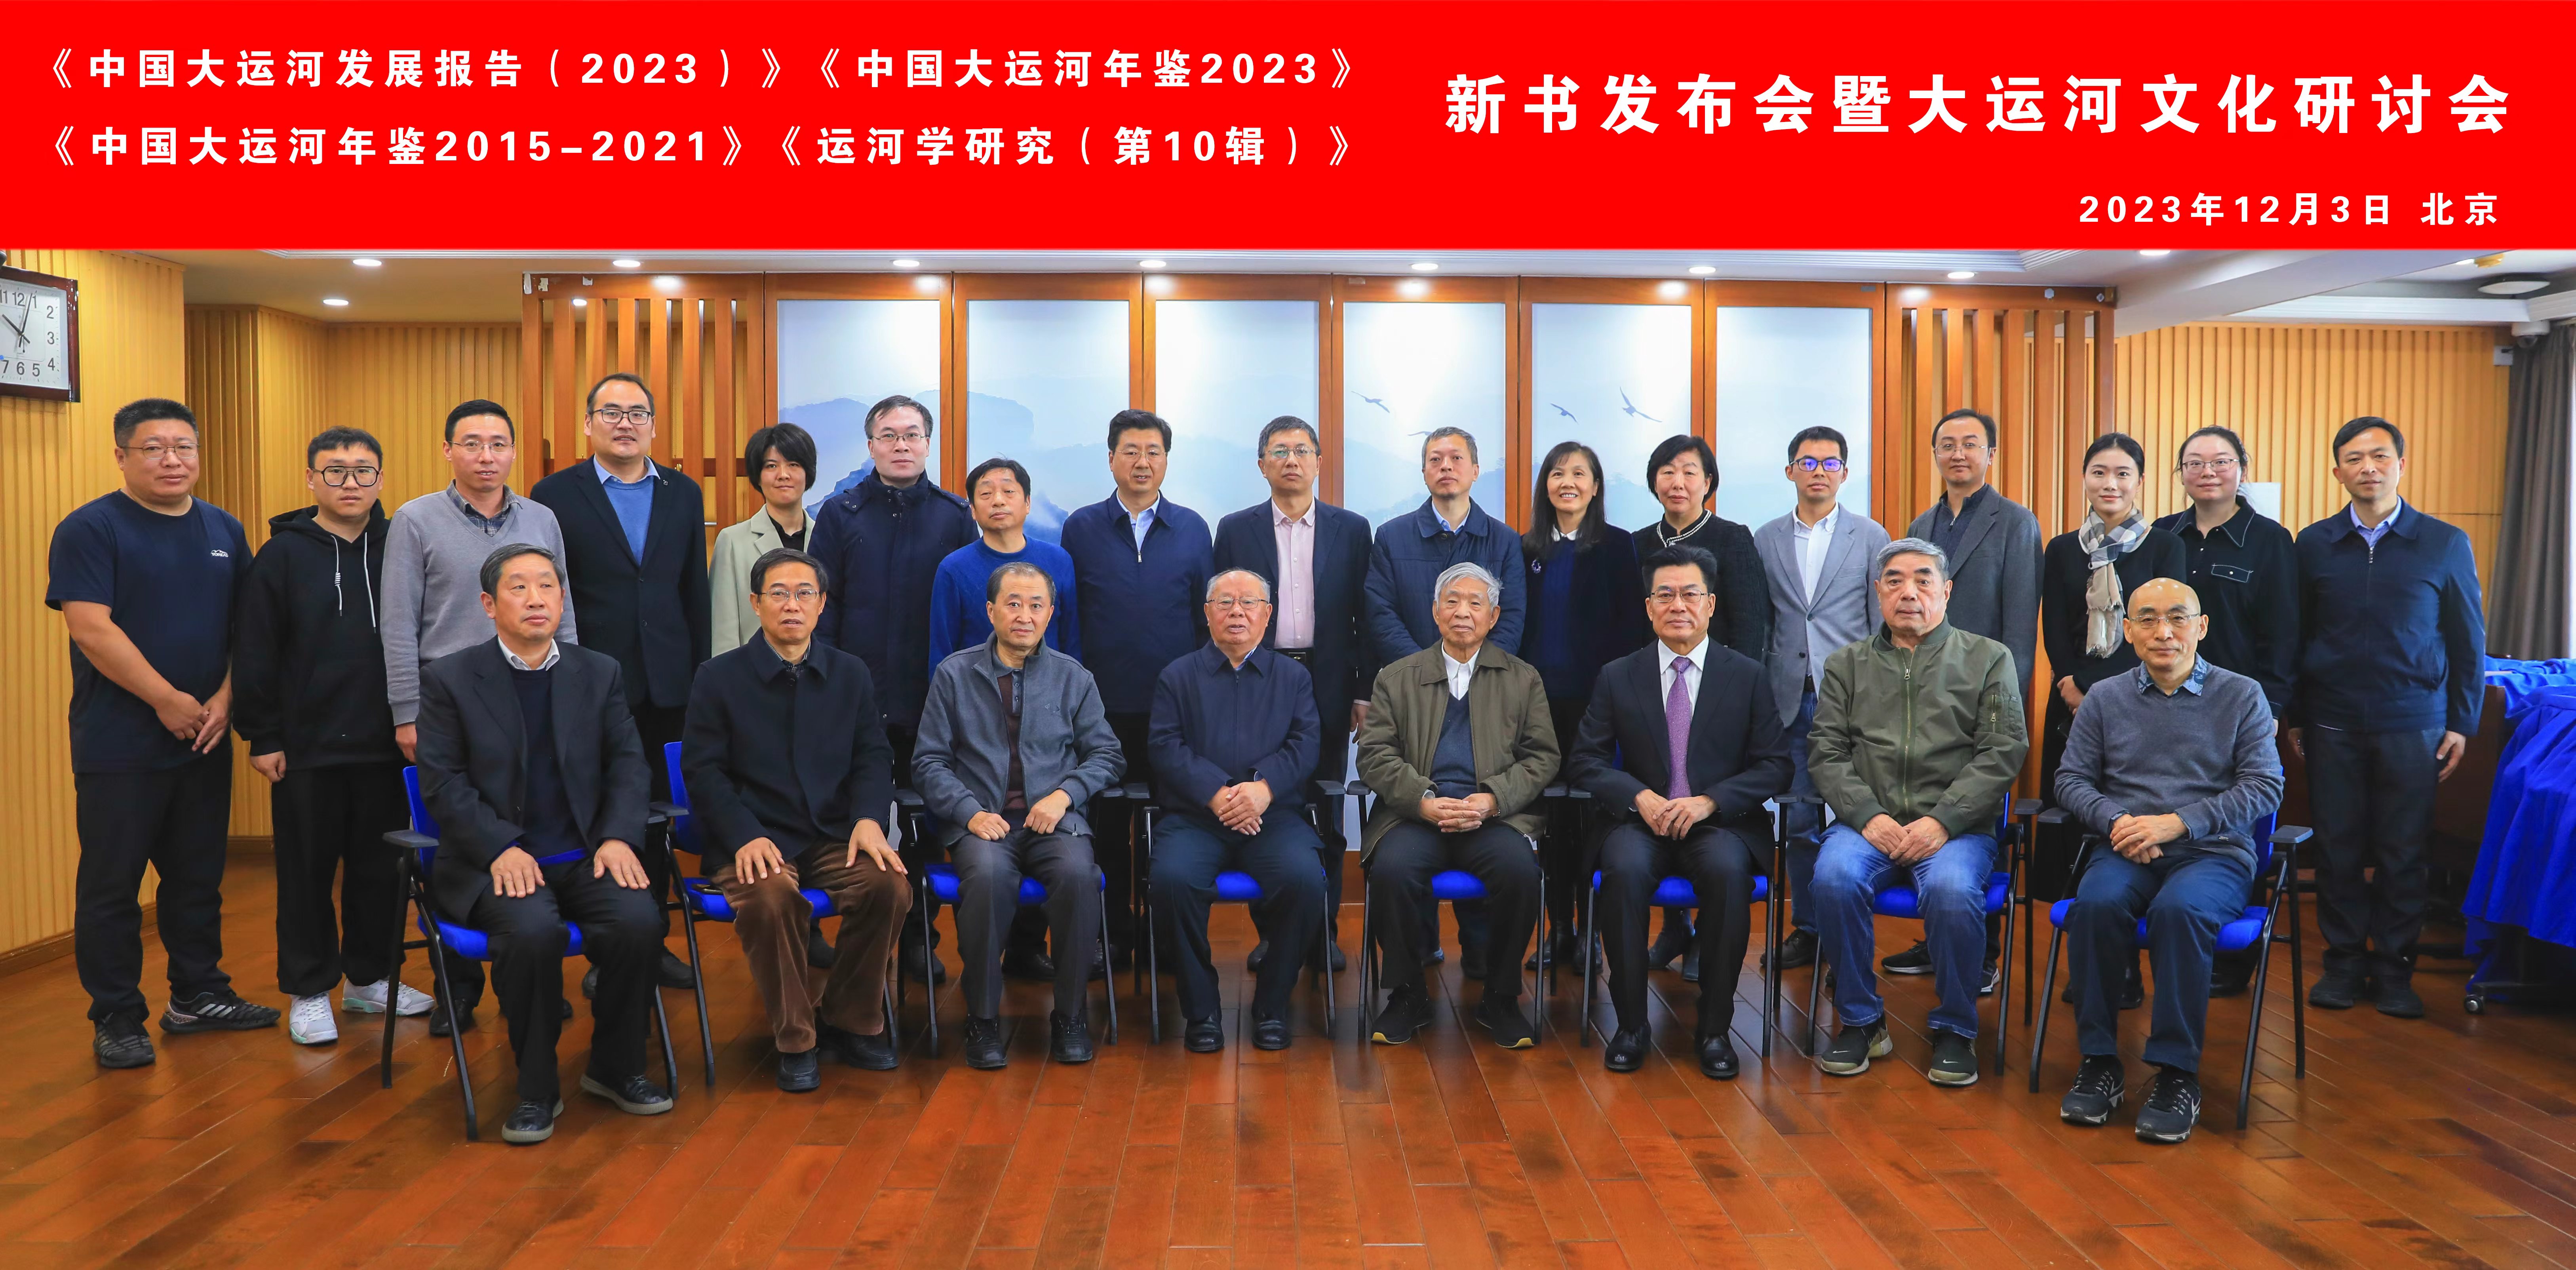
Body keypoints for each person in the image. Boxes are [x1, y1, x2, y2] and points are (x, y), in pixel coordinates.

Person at [413, 545, 671, 1144]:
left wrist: (617, 836)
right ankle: (536, 1087)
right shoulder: (451, 679)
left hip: (584, 854)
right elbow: (442, 783)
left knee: (639, 921)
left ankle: (615, 1066)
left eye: (547, 586)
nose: (536, 599)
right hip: (495, 862)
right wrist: (499, 847)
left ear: (562, 598)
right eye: (519, 587)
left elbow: (628, 765)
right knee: (531, 933)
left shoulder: (598, 672)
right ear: (488, 604)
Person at [49, 398, 277, 1068]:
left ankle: (198, 994)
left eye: (184, 447)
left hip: (203, 737)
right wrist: (166, 699)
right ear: (121, 455)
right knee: (113, 887)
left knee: (197, 878)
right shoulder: (91, 528)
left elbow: (246, 627)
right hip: (120, 743)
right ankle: (117, 1015)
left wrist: (226, 699)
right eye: (154, 448)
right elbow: (91, 627)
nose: (172, 460)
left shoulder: (223, 527)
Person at [2053, 579, 2283, 1144]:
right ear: (2127, 631)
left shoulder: (2241, 695)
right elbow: (2070, 779)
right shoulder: (2105, 697)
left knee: (2178, 912)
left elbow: (2264, 786)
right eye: (2148, 619)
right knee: (2095, 904)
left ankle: (2176, 1073)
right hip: (2125, 845)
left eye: (2178, 618)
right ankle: (2099, 1061)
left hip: (2213, 850)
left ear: (2200, 627)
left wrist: (2177, 822)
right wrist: (2117, 821)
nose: (2164, 632)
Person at [682, 548, 912, 1091]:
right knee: (771, 898)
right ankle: (796, 1039)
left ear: (822, 603)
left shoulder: (849, 673)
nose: (792, 605)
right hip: (754, 836)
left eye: (804, 593)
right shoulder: (718, 677)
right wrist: (744, 834)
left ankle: (849, 1018)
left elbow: (873, 756)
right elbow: (702, 771)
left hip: (831, 832)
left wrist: (868, 819)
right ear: (755, 602)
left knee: (888, 887)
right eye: (779, 594)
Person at [381, 398, 576, 1035]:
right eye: (471, 443)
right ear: (448, 451)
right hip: (449, 705)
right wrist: (407, 711)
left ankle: (538, 976)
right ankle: (457, 990)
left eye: (497, 444)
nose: (485, 456)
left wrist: (572, 692)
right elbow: (399, 623)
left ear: (513, 450)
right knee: (458, 840)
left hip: (534, 697)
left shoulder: (542, 518)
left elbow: (562, 609)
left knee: (535, 831)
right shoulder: (415, 519)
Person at [236, 426, 433, 1046]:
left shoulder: (399, 544)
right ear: (311, 479)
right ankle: (309, 989)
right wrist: (263, 734)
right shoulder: (281, 556)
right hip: (307, 745)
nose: (351, 483)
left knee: (381, 870)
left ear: (381, 478)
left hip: (388, 742)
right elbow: (256, 649)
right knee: (306, 873)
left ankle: (369, 979)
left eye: (363, 471)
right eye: (335, 471)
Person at [1808, 539, 2028, 1087]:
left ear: (1946, 591)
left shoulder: (1988, 658)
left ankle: (1955, 1026)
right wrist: (1866, 815)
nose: (1908, 592)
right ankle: (1861, 1020)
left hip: (1955, 827)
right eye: (1895, 580)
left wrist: (1943, 820)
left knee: (1952, 890)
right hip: (1868, 823)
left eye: (1923, 580)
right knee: (1832, 877)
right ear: (1878, 591)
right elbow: (1826, 752)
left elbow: (2002, 750)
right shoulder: (1845, 664)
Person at [1568, 545, 1790, 1079]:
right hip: (1638, 822)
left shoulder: (1746, 675)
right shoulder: (1618, 675)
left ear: (1710, 604)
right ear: (1648, 607)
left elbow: (1776, 765)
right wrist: (1638, 796)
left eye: (1690, 594)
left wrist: (1710, 800)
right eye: (1664, 595)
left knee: (1727, 873)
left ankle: (1714, 1029)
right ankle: (1629, 1025)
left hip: (1718, 823)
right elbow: (1584, 761)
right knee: (1622, 871)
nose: (1677, 605)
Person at [2291, 416, 2485, 1020]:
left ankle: (2396, 969)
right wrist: (2295, 714)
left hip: (2414, 719)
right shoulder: (2313, 543)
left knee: (2403, 852)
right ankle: (2343, 964)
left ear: (2401, 465)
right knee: (2338, 847)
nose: (2367, 467)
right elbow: (2297, 633)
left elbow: (2468, 638)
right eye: (2354, 458)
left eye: (2379, 456)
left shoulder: (2444, 541)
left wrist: (2461, 721)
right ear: (2337, 472)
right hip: (2331, 718)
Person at [531, 371, 710, 992]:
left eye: (637, 413)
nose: (625, 423)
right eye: (611, 412)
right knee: (593, 811)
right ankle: (604, 946)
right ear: (588, 424)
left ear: (654, 425)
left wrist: (699, 678)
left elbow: (694, 591)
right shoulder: (554, 494)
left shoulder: (683, 493)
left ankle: (650, 940)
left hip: (668, 682)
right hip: (586, 681)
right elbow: (550, 590)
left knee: (656, 815)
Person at [913, 562, 1126, 1069]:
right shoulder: (954, 674)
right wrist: (968, 813)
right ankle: (983, 1018)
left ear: (1051, 614)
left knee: (1078, 876)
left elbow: (1107, 754)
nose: (1024, 615)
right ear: (991, 611)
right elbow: (927, 762)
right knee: (987, 879)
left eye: (1036, 606)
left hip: (1055, 822)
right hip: (983, 824)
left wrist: (1065, 796)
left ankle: (1070, 1015)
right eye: (1013, 604)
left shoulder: (1073, 677)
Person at [806, 395, 978, 987]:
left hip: (933, 700)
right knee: (856, 818)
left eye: (911, 434)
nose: (900, 444)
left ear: (928, 444)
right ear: (871, 446)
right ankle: (859, 936)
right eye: (888, 435)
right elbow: (821, 609)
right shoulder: (840, 513)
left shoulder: (954, 516)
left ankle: (919, 938)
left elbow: (967, 610)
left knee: (927, 824)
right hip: (854, 699)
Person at [1356, 563, 1560, 1049]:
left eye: (1474, 603)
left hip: (1491, 816)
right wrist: (1422, 800)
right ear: (1434, 612)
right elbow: (1374, 754)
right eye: (1451, 602)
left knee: (1519, 873)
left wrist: (1492, 799)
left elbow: (1542, 757)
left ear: (1493, 617)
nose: (1462, 612)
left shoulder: (1522, 679)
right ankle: (1407, 994)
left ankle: (1501, 996)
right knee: (1391, 871)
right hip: (1415, 815)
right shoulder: (1396, 677)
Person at [1884, 407, 2040, 986]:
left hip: (1984, 693)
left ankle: (1982, 953)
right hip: (1920, 694)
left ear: (1990, 455)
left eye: (1970, 444)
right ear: (1934, 454)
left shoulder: (2016, 522)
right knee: (1927, 810)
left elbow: (2019, 627)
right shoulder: (1921, 523)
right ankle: (1937, 939)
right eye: (1946, 444)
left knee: (1975, 815)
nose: (1958, 453)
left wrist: (2003, 703)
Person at [1364, 427, 1528, 978]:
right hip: (1413, 693)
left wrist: (1479, 669)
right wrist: (1423, 671)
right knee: (1404, 860)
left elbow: (1511, 616)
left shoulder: (1502, 539)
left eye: (1456, 457)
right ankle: (1412, 966)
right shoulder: (1392, 536)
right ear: (1423, 471)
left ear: (1475, 470)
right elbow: (1379, 610)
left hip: (1485, 692)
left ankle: (1485, 963)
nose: (1445, 466)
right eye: (1434, 458)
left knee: (1496, 847)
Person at [1213, 416, 1374, 976]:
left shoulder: (1351, 529)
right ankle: (1273, 934)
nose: (1291, 460)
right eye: (1279, 451)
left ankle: (1321, 932)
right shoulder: (1236, 529)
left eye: (1302, 450)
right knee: (1266, 803)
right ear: (1262, 465)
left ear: (1319, 463)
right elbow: (1220, 612)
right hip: (1259, 678)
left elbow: (1365, 616)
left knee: (1326, 808)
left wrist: (1362, 691)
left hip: (1329, 680)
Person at [1144, 569, 1327, 1052]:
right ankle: (1201, 1010)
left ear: (1268, 615)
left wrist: (1263, 790)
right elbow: (1164, 746)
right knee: (1171, 882)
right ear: (1207, 613)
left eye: (1249, 603)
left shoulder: (1293, 677)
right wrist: (1219, 794)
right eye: (1224, 602)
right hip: (1195, 818)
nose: (1237, 612)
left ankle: (1272, 1005)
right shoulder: (1177, 676)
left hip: (1273, 817)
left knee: (1305, 881)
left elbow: (1306, 744)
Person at [1061, 409, 1214, 967]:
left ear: (1166, 460)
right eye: (1130, 451)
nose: (1142, 462)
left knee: (1172, 824)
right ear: (1110, 460)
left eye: (1153, 451)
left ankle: (1163, 935)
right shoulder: (1081, 527)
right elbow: (1070, 617)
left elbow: (1204, 621)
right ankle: (1112, 935)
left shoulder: (1193, 528)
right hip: (1098, 710)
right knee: (1104, 826)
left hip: (1175, 712)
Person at [2039, 434, 2186, 1003]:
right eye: (2099, 472)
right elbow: (2056, 626)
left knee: (2126, 819)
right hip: (2069, 698)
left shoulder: (2163, 545)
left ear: (2139, 482)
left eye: (2122, 473)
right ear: (2083, 478)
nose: (2110, 483)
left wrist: (2100, 691)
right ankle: (2091, 962)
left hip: (2140, 702)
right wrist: (2070, 681)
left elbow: (2159, 627)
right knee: (2078, 820)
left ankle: (2127, 967)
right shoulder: (2062, 548)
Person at [2152, 425, 2299, 996]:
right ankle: (2166, 935)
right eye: (2193, 462)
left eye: (2220, 461)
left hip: (2238, 711)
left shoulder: (2270, 540)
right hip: (2165, 705)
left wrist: (2271, 707)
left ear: (2242, 468)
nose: (2207, 471)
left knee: (2238, 827)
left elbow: (2282, 634)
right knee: (2166, 816)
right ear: (2180, 473)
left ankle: (2231, 956)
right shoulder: (2162, 534)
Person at [1752, 425, 1889, 975]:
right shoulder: (1765, 538)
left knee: (1856, 818)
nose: (1818, 471)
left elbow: (1880, 624)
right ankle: (1808, 928)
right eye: (1807, 462)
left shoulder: (1871, 535)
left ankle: (1846, 937)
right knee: (1799, 820)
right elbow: (1765, 620)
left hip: (1853, 696)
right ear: (1789, 471)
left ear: (1844, 473)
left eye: (1830, 463)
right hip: (1788, 696)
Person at [1631, 433, 1770, 976]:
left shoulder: (1732, 538)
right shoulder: (1639, 543)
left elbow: (1752, 622)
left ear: (1707, 482)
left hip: (1718, 702)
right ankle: (1675, 927)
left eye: (1689, 471)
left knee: (1708, 820)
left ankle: (1706, 937)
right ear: (1654, 482)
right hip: (1657, 695)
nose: (1678, 482)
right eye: (1667, 471)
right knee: (1662, 801)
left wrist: (1733, 694)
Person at [1518, 441, 1648, 969]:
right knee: (1549, 820)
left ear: (1595, 487)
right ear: (1544, 486)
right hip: (1536, 707)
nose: (1566, 482)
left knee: (1594, 815)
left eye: (1578, 473)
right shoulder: (1525, 548)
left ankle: (1591, 931)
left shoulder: (1616, 546)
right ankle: (1558, 928)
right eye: (1556, 473)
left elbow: (1632, 630)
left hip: (1598, 706)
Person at [930, 457, 1083, 665]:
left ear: (1028, 503)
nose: (998, 501)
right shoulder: (953, 569)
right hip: (978, 684)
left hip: (1050, 683)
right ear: (973, 510)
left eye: (1009, 492)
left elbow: (1072, 641)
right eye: (986, 494)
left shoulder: (1059, 560)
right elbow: (942, 652)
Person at [711, 423, 819, 652]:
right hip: (753, 670)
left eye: (794, 465)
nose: (783, 475)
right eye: (771, 466)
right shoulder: (732, 541)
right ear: (758, 477)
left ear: (808, 474)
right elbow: (723, 628)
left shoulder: (825, 537)